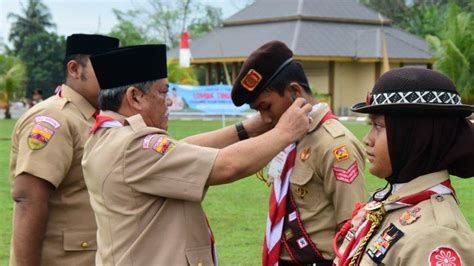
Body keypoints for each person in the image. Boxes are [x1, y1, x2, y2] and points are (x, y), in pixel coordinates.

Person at [83, 44, 312, 265]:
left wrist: (247, 129)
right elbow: (227, 165)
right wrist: (284, 132)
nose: (170, 101)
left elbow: (178, 149)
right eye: (163, 92)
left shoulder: (107, 137)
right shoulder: (132, 146)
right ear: (135, 97)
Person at [231, 41, 367, 265]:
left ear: (294, 92)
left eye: (266, 107)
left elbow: (352, 227)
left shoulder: (335, 145)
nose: (264, 119)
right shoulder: (290, 138)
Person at [333, 67, 474, 265]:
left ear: (415, 137)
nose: (367, 139)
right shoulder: (394, 203)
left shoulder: (435, 236)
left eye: (379, 126)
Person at [9, 34, 119, 265]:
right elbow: (29, 200)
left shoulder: (94, 118)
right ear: (74, 69)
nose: (115, 77)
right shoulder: (53, 119)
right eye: (106, 68)